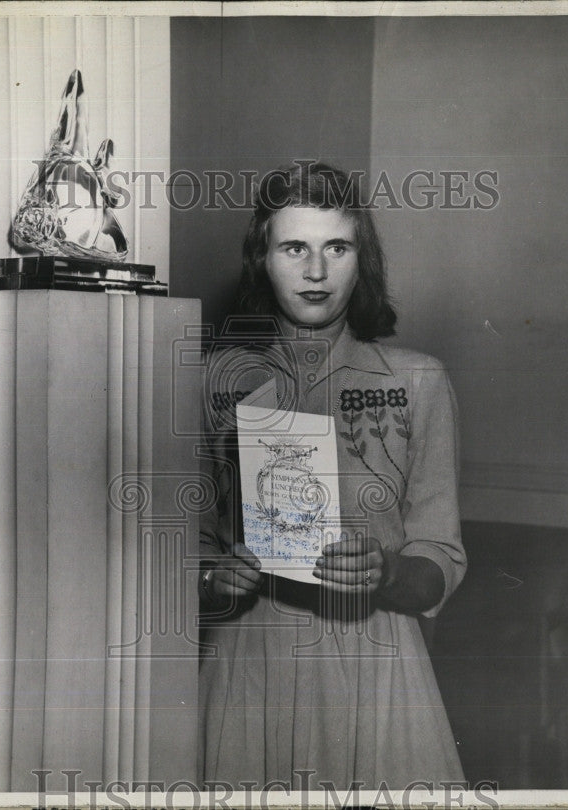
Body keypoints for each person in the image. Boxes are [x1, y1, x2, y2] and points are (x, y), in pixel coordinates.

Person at [198, 162, 466, 790]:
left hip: (376, 663)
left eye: (336, 247)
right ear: (262, 258)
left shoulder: (417, 380)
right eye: (294, 247)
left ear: (361, 259)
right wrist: (212, 577)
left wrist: (391, 571)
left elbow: (442, 558)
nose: (315, 271)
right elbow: (179, 552)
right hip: (249, 662)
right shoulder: (213, 383)